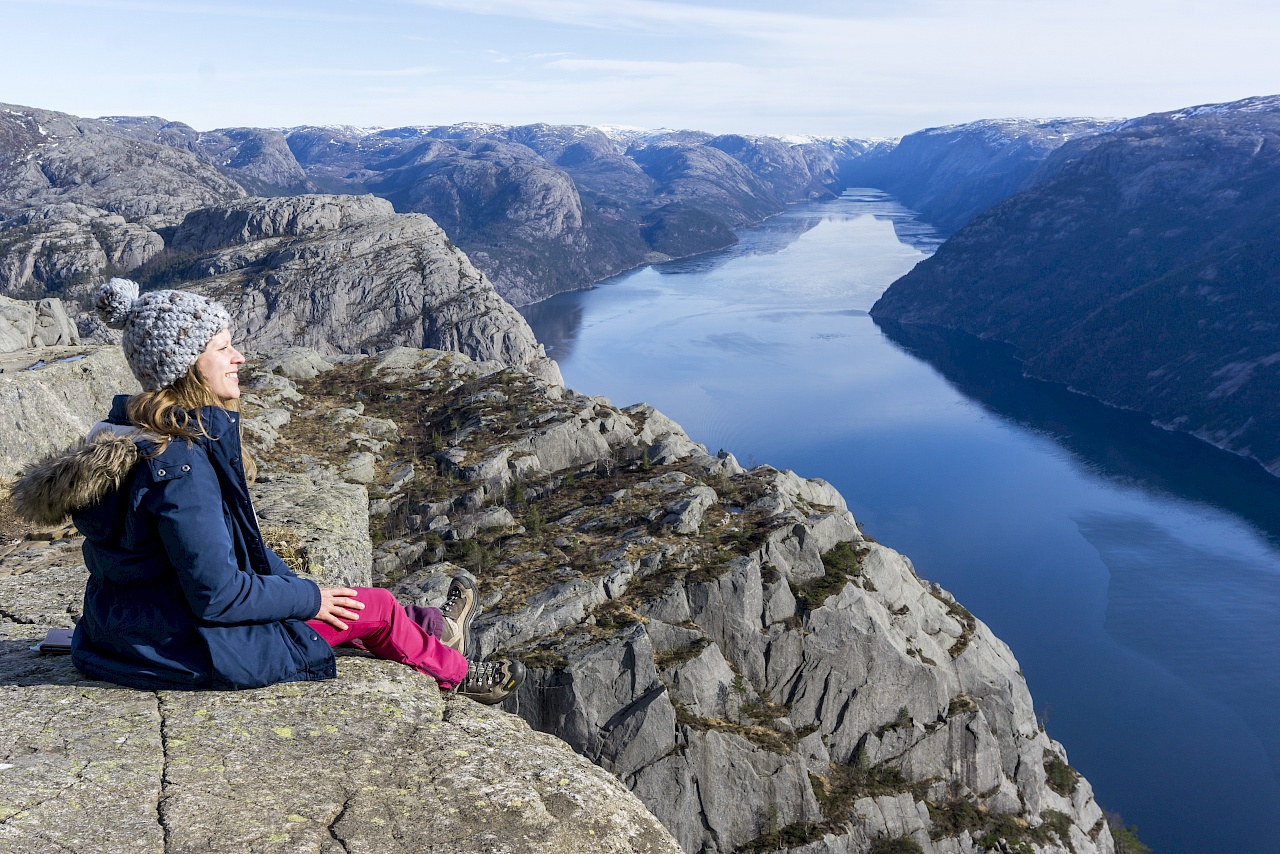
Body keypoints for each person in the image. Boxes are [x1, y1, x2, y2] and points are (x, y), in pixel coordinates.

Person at [10, 278, 524, 703]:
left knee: (356, 600)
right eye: (222, 347)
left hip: (121, 633)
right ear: (188, 366)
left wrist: (303, 591)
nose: (238, 356)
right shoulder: (179, 464)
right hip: (190, 646)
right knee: (376, 612)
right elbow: (218, 596)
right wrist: (308, 599)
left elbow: (224, 553)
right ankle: (457, 673)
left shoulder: (127, 438)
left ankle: (434, 623)